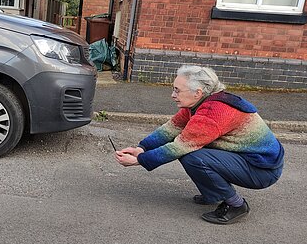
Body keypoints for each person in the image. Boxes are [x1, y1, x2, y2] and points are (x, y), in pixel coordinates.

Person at [115, 65, 284, 224]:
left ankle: (236, 205)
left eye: (177, 90)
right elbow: (171, 128)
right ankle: (215, 194)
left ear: (198, 92)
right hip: (246, 159)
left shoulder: (212, 112)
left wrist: (140, 160)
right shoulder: (200, 103)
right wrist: (141, 148)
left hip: (262, 170)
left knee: (192, 156)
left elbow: (178, 147)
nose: (172, 95)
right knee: (193, 150)